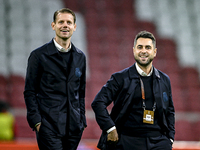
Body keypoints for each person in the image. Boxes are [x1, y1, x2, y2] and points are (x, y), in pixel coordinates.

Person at [91, 31, 175, 150]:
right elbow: (98, 103)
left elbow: (170, 110)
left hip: (159, 141)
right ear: (134, 50)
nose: (144, 51)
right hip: (128, 140)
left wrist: (170, 138)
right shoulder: (119, 78)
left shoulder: (164, 79)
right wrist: (110, 128)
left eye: (148, 47)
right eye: (139, 47)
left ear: (155, 52)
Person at [24, 8, 87, 150]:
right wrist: (37, 122)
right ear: (53, 25)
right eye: (61, 22)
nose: (65, 25)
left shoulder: (80, 57)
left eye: (69, 22)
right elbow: (29, 91)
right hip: (49, 127)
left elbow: (81, 92)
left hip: (74, 128)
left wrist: (81, 120)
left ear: (74, 27)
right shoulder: (39, 56)